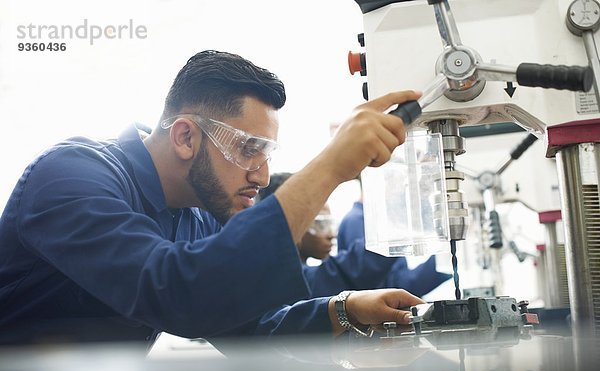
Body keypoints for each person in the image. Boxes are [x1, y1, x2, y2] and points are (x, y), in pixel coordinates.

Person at [0, 50, 424, 345]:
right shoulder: (70, 176)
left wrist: (344, 309)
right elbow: (177, 293)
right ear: (185, 136)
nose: (262, 173)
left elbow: (245, 328)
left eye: (267, 153)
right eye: (248, 148)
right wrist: (331, 167)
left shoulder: (197, 216)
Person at [260, 172, 451, 297]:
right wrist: (406, 211)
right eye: (320, 223)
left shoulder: (297, 273)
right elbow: (355, 271)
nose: (331, 235)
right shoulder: (286, 281)